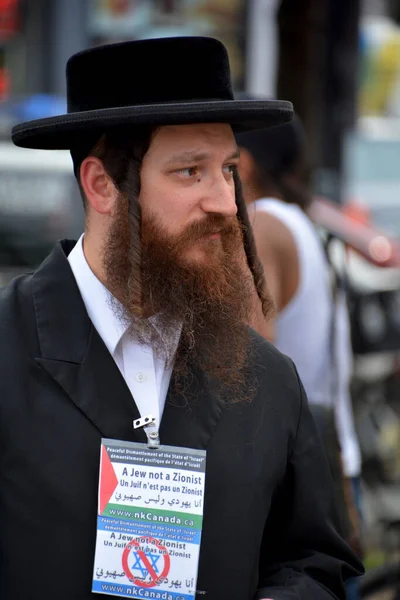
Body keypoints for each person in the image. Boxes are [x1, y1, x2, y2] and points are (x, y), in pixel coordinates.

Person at [0, 37, 362, 600]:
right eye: (190, 172)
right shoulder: (7, 349)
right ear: (101, 186)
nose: (222, 201)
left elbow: (313, 563)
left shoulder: (267, 379)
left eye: (228, 169)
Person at [237, 115, 363, 598]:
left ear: (242, 166)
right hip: (331, 468)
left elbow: (248, 361)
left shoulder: (262, 226)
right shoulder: (303, 222)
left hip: (295, 492)